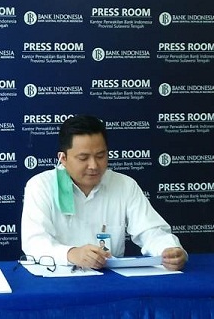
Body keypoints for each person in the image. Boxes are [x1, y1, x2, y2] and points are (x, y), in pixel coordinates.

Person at [20, 114, 187, 271]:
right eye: (83, 158)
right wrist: (72, 254)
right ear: (63, 158)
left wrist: (168, 250)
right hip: (57, 278)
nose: (93, 165)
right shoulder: (41, 186)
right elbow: (34, 243)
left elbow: (151, 231)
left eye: (100, 156)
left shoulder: (125, 185)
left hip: (110, 280)